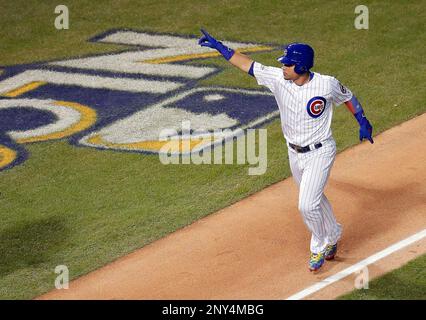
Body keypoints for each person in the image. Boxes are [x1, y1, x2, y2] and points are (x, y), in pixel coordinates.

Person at [198, 29, 374, 272]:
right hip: (294, 153)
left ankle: (319, 245)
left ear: (301, 66)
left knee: (306, 205)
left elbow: (348, 97)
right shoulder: (278, 79)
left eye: (288, 64)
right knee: (314, 198)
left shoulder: (326, 84)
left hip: (321, 152)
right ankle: (332, 235)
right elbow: (249, 65)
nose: (283, 67)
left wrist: (363, 121)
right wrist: (221, 48)